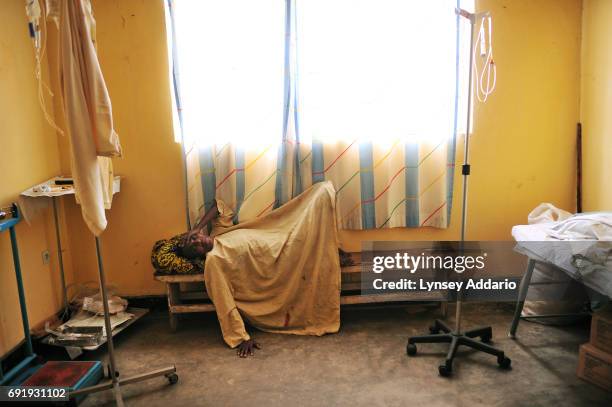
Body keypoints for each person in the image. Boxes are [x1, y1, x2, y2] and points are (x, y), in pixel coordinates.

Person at [179, 182, 351, 358]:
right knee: (318, 202)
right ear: (197, 256)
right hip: (281, 256)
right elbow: (223, 302)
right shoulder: (214, 261)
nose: (198, 241)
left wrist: (197, 227)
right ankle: (330, 254)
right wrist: (240, 337)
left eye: (194, 238)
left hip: (279, 234)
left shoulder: (217, 233)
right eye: (194, 247)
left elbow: (220, 206)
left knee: (321, 190)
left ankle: (331, 253)